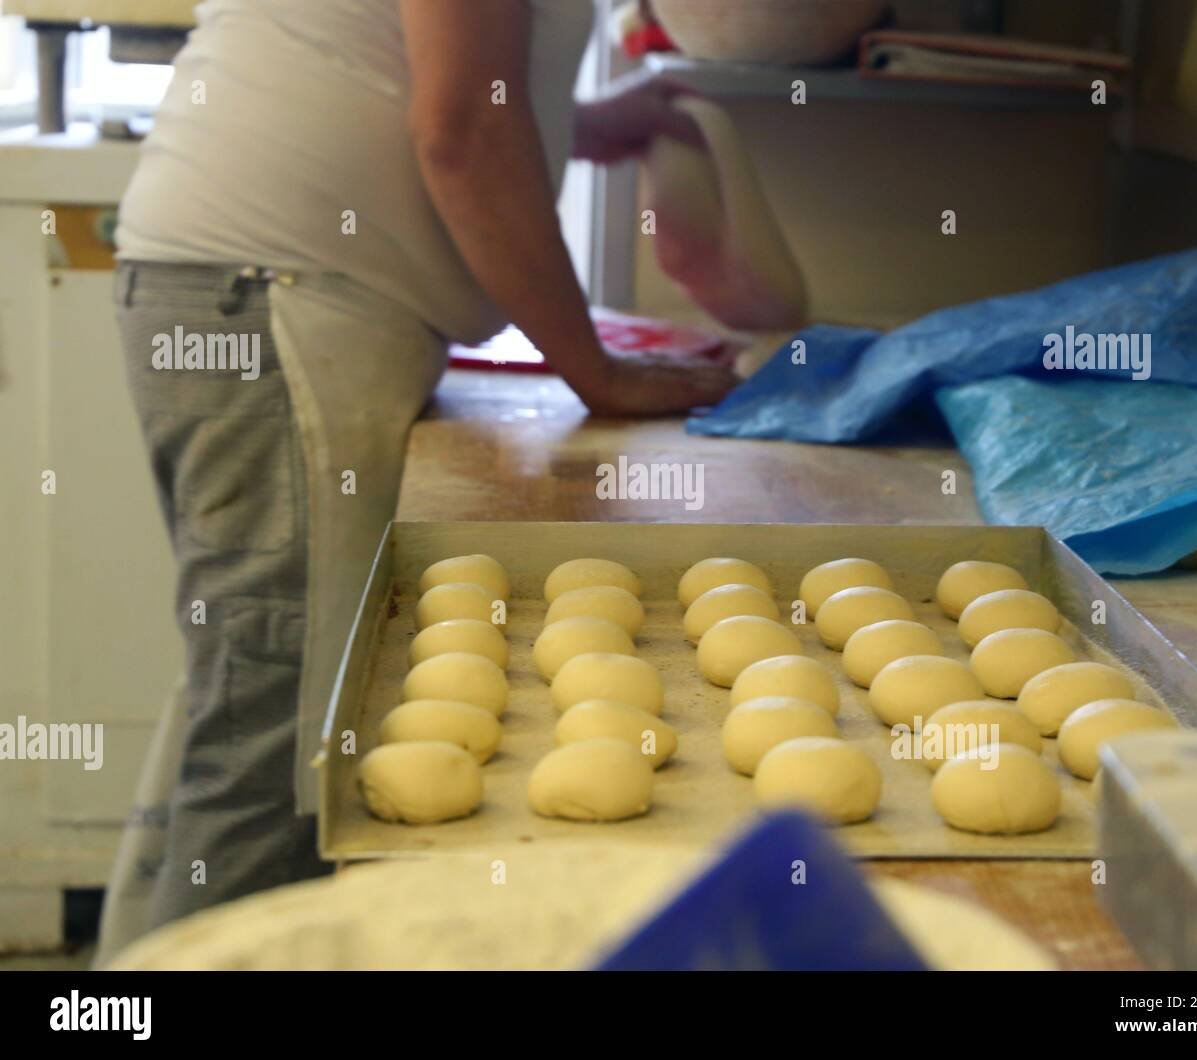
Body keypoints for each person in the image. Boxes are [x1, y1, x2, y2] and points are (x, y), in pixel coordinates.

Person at [97, 0, 734, 963]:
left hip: (256, 284)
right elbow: (461, 130)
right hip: (278, 291)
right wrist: (593, 369)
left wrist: (590, 127)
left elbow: (439, 75)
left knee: (255, 700)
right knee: (289, 753)